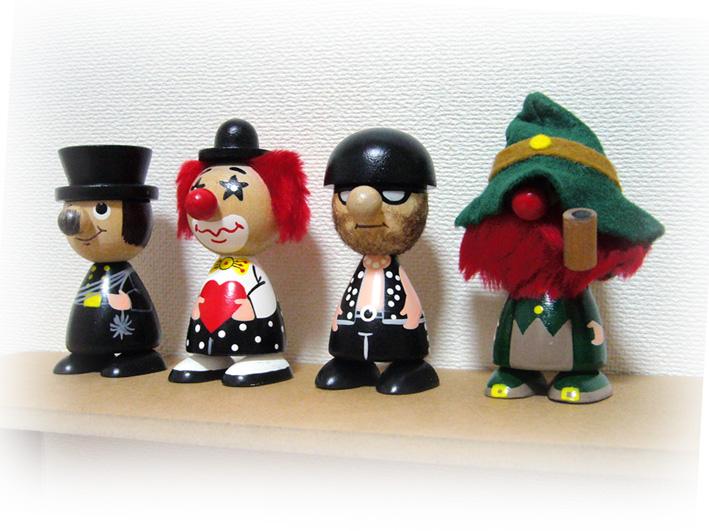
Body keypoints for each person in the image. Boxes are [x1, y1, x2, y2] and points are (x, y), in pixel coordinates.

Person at [54, 145, 164, 377]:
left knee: (130, 327)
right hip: (92, 339)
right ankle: (88, 351)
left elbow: (138, 308)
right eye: (72, 207)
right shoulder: (97, 273)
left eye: (101, 209)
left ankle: (137, 354)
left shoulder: (125, 278)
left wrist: (124, 302)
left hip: (133, 339)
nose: (77, 222)